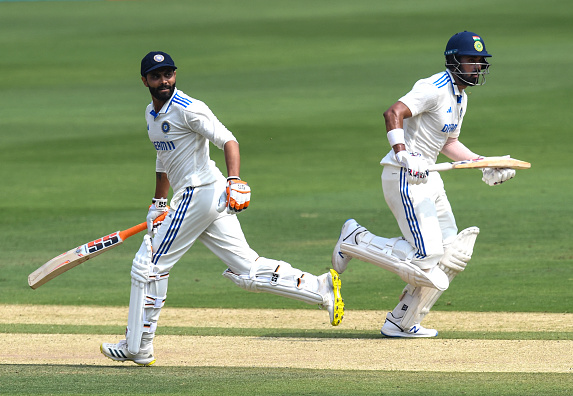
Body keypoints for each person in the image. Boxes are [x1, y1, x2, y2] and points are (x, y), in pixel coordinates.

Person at [101, 51, 344, 366]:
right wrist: (158, 202)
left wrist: (235, 180)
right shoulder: (151, 114)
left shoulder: (189, 109)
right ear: (145, 80)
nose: (165, 81)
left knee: (148, 263)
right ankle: (320, 287)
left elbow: (229, 140)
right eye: (157, 76)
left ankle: (138, 346)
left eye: (169, 74)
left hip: (201, 193)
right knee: (247, 270)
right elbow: (164, 157)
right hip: (202, 199)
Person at [332, 31, 517, 338]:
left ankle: (401, 322)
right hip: (404, 176)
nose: (478, 67)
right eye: (472, 60)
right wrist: (403, 153)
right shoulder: (433, 88)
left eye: (481, 62)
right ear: (454, 60)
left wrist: (483, 163)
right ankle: (355, 240)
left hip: (429, 178)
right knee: (426, 259)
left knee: (450, 255)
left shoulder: (461, 98)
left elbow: (449, 144)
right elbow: (393, 113)